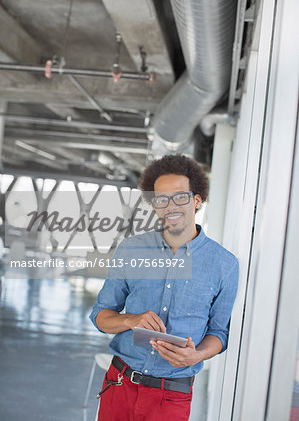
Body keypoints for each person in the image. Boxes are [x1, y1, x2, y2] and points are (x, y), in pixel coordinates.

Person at [90, 154, 239, 421]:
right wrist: (131, 319)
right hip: (119, 384)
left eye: (180, 196)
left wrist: (197, 355)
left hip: (172, 396)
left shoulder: (224, 264)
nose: (171, 206)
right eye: (161, 199)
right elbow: (101, 316)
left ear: (197, 200)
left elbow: (220, 332)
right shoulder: (130, 250)